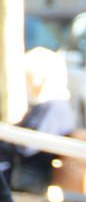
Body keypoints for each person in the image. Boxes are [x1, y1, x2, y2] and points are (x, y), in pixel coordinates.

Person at [0, 48, 76, 193]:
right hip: (26, 172)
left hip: (30, 176)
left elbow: (28, 146)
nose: (27, 83)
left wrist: (7, 139)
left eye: (29, 77)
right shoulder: (48, 105)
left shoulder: (53, 107)